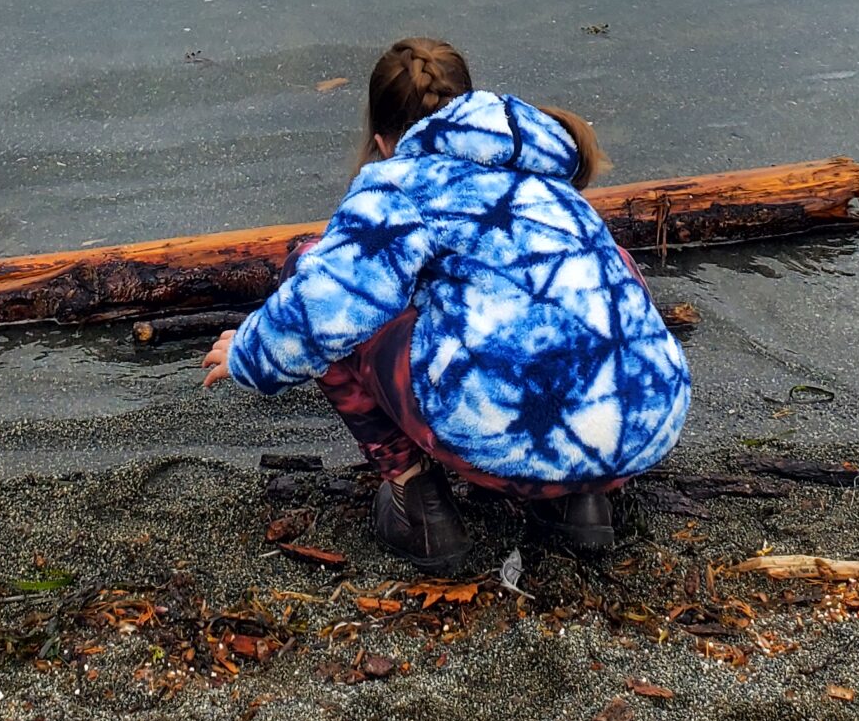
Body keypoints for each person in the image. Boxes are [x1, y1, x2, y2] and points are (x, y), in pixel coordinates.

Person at [202, 38, 690, 572]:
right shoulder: (543, 174)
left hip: (507, 454)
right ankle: (580, 504)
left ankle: (420, 504)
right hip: (640, 433)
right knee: (605, 262)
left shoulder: (398, 184)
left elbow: (329, 304)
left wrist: (251, 352)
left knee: (312, 266)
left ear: (385, 142)